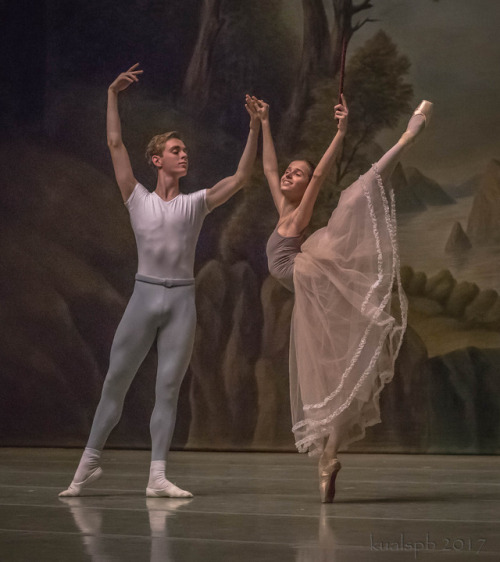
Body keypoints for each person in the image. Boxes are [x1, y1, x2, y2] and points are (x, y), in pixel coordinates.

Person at [59, 64, 261, 498]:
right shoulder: (136, 197)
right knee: (117, 380)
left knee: (167, 388)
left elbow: (242, 178)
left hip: (181, 304)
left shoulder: (195, 204)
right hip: (144, 297)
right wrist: (112, 94)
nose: (183, 154)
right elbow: (114, 142)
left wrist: (256, 126)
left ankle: (157, 476)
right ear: (157, 160)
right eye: (175, 149)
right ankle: (87, 464)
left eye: (185, 149)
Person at [255, 94, 432, 502]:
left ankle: (406, 138)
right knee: (329, 374)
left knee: (355, 196)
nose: (289, 175)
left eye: (296, 174)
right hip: (308, 286)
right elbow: (267, 165)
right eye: (289, 171)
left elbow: (319, 177)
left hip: (309, 272)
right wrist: (263, 123)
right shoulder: (283, 207)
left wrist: (340, 133)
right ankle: (328, 457)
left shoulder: (298, 216)